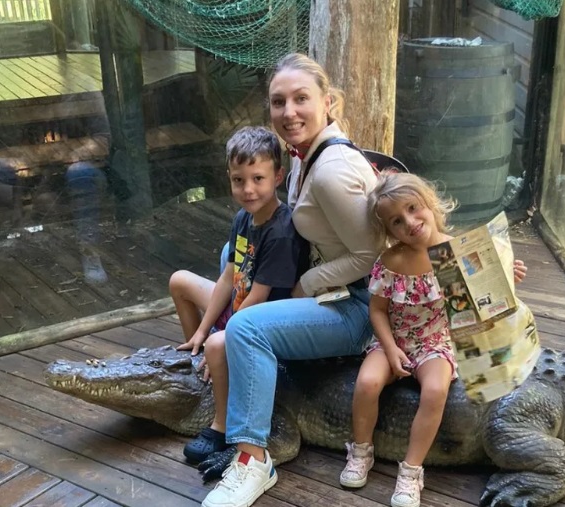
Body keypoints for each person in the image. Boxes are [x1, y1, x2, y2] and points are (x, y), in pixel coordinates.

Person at [200, 53, 380, 507]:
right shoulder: (304, 155)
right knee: (231, 255)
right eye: (279, 102)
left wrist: (307, 284)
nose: (288, 112)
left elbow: (369, 255)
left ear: (328, 102)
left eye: (301, 99)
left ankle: (252, 460)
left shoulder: (332, 170)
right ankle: (224, 356)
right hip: (329, 286)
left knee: (245, 327)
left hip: (355, 308)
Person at [338, 171, 527, 507]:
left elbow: (480, 303)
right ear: (388, 230)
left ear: (429, 202)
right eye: (396, 221)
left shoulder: (457, 253)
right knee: (366, 382)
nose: (409, 222)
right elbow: (378, 311)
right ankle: (361, 450)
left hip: (435, 341)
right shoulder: (391, 261)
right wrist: (392, 348)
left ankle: (411, 470)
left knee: (437, 390)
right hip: (392, 339)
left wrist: (504, 275)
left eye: (413, 208)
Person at [169, 126, 307, 464]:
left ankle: (222, 423)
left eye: (257, 179)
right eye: (238, 180)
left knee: (220, 343)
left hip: (265, 320)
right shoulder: (244, 219)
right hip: (241, 304)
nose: (248, 189)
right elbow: (230, 275)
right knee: (180, 281)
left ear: (278, 176)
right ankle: (203, 362)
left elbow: (258, 300)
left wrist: (220, 334)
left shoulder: (281, 232)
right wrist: (202, 330)